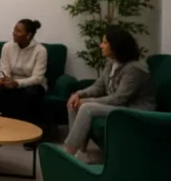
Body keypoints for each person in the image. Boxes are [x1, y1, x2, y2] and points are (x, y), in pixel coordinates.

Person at [65, 26, 156, 155]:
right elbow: (98, 86)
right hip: (121, 106)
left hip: (136, 110)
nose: (100, 45)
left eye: (105, 42)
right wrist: (78, 94)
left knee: (86, 107)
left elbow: (119, 98)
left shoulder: (134, 69)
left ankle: (68, 152)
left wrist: (86, 101)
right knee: (73, 103)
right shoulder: (112, 63)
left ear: (116, 46)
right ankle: (79, 151)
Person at [0, 19, 47, 149]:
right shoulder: (7, 47)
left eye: (18, 31)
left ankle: (30, 137)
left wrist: (17, 83)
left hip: (31, 84)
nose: (14, 33)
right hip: (11, 82)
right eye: (14, 30)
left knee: (32, 93)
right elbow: (4, 69)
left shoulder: (40, 51)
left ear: (28, 35)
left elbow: (38, 78)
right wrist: (5, 80)